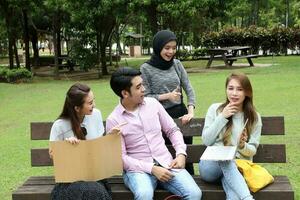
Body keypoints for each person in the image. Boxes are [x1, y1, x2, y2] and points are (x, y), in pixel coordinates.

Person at [106, 67, 202, 200]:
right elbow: (121, 158)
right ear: (125, 93)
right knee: (144, 195)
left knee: (194, 193)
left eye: (142, 84)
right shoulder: (114, 120)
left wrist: (180, 153)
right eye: (138, 87)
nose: (144, 89)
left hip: (167, 164)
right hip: (138, 171)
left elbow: (172, 130)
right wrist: (152, 168)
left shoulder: (153, 104)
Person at [199, 72, 262, 200]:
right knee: (226, 159)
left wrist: (242, 145)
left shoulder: (254, 117)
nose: (234, 93)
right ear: (226, 89)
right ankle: (248, 198)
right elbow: (206, 140)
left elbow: (252, 151)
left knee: (233, 195)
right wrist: (223, 117)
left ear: (247, 92)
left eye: (239, 89)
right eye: (230, 88)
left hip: (236, 169)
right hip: (210, 167)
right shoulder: (215, 109)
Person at [140, 30, 196, 174]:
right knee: (166, 159)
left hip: (181, 115)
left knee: (184, 155)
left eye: (174, 48)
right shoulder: (146, 68)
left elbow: (188, 88)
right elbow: (144, 97)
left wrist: (190, 111)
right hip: (158, 117)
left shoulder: (177, 64)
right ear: (158, 47)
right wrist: (167, 96)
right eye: (167, 48)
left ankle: (189, 186)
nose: (171, 51)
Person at [49, 83, 115, 200]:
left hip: (96, 176)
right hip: (69, 181)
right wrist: (66, 147)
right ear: (77, 108)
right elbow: (53, 155)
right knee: (93, 192)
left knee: (95, 190)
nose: (94, 105)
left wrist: (111, 138)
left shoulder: (96, 115)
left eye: (93, 100)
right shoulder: (59, 126)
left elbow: (99, 146)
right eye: (90, 103)